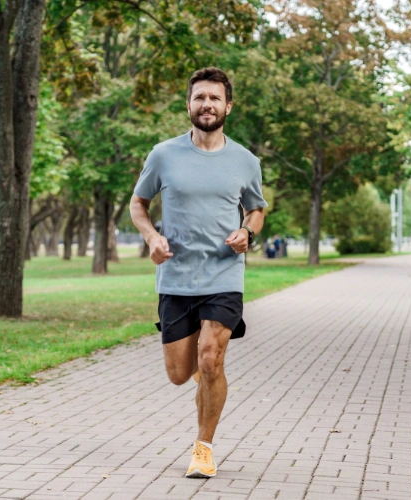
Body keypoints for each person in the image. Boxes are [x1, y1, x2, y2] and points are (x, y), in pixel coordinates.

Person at [129, 67, 267, 479]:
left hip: (224, 275)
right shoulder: (163, 154)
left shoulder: (245, 160)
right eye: (199, 97)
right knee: (179, 374)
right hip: (175, 278)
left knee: (211, 358)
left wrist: (246, 232)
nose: (207, 104)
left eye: (214, 98)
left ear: (228, 105)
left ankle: (203, 448)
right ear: (188, 104)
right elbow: (138, 204)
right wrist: (152, 237)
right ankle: (207, 384)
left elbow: (256, 209)